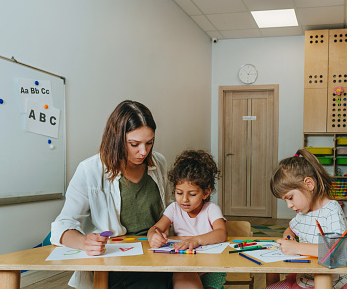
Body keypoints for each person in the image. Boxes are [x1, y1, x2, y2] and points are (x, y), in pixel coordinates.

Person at [50, 100, 173, 289]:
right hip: (116, 260)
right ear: (116, 139)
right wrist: (85, 242)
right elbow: (62, 225)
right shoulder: (89, 170)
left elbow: (170, 210)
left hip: (157, 253)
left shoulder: (159, 163)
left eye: (149, 143)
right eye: (134, 144)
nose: (144, 151)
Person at [266, 148, 347, 289]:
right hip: (304, 280)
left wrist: (297, 247)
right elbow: (290, 229)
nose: (289, 205)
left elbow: (339, 252)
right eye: (285, 200)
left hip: (330, 284)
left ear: (309, 184)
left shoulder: (331, 210)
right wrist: (289, 238)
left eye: (290, 198)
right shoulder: (304, 212)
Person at [148, 150, 228, 289]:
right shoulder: (173, 209)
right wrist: (153, 236)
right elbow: (155, 228)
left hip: (210, 266)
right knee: (183, 278)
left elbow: (221, 233)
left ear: (206, 193)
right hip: (184, 265)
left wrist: (195, 240)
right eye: (179, 193)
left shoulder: (211, 209)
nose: (184, 199)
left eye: (192, 194)